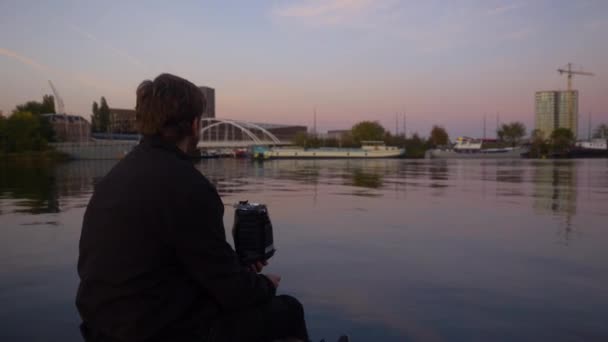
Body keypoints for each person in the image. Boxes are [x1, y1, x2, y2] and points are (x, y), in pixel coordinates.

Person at [76, 73, 309, 342]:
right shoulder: (187, 184)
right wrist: (264, 285)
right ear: (195, 125)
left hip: (103, 327)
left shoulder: (117, 176)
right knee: (288, 311)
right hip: (155, 332)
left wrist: (235, 268)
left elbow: (178, 257)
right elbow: (229, 290)